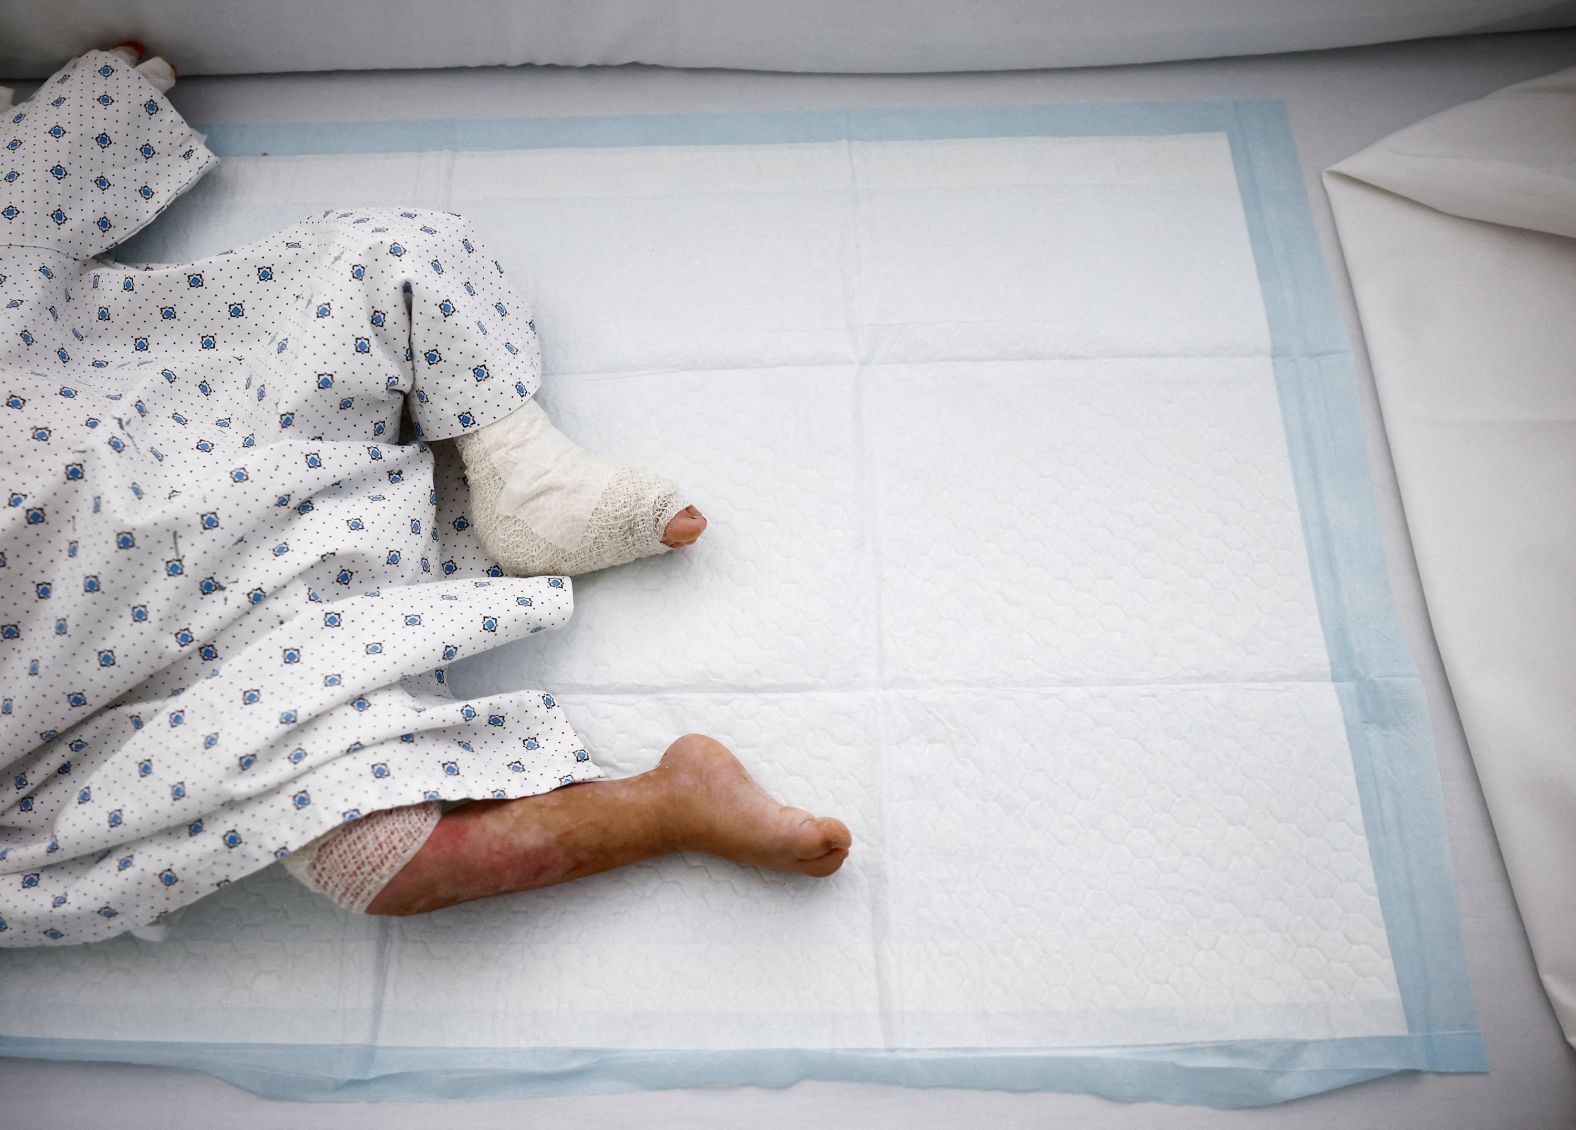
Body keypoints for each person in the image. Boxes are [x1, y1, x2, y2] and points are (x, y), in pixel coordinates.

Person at [0, 45, 849, 944]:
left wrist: (94, 113)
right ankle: (668, 806)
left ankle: (518, 463)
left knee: (389, 251)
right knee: (385, 860)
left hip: (228, 422)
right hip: (182, 672)